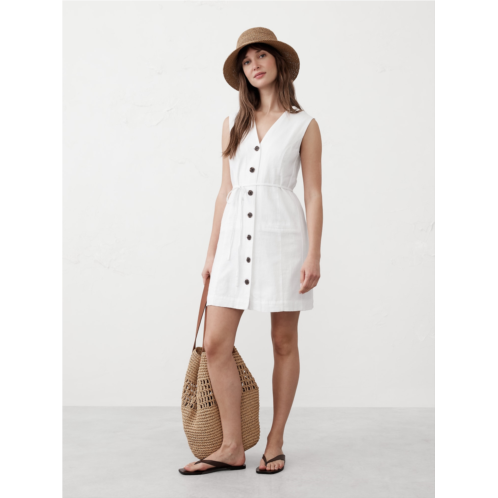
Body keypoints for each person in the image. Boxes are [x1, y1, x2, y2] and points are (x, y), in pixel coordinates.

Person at [180, 27, 323, 476]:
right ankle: (231, 447)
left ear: (278, 62)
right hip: (232, 242)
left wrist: (314, 255)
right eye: (246, 60)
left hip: (284, 242)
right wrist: (210, 255)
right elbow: (225, 191)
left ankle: (275, 440)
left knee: (283, 341)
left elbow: (314, 193)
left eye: (261, 56)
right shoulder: (232, 123)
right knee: (215, 344)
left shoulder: (304, 125)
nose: (254, 65)